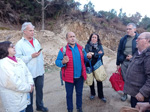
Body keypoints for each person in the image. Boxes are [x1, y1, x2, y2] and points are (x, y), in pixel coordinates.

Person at [15, 22, 48, 112]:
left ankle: (40, 105)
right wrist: (30, 56)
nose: (33, 32)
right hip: (28, 73)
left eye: (33, 30)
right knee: (29, 93)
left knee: (40, 90)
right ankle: (29, 109)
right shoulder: (19, 44)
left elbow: (39, 54)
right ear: (24, 31)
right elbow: (18, 60)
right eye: (30, 30)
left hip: (40, 71)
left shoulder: (36, 41)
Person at [55, 32, 92, 112]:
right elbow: (57, 62)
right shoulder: (63, 50)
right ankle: (70, 109)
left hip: (80, 77)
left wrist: (88, 57)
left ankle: (79, 108)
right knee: (69, 95)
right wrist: (63, 62)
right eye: (70, 37)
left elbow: (85, 59)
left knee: (79, 93)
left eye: (74, 36)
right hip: (69, 78)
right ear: (67, 39)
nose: (72, 38)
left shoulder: (81, 48)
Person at [0, 41, 34, 112]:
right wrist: (28, 88)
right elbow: (13, 83)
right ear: (5, 49)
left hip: (24, 96)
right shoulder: (3, 64)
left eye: (13, 45)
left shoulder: (19, 60)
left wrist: (31, 84)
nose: (14, 47)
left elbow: (27, 73)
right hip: (14, 100)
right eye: (11, 46)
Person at [123, 32, 150, 108]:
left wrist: (143, 93)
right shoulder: (139, 52)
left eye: (139, 39)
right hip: (135, 93)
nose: (136, 40)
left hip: (142, 96)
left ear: (148, 40)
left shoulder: (148, 56)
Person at [116, 23, 139, 101]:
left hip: (135, 62)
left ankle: (134, 97)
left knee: (134, 80)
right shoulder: (123, 39)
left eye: (130, 29)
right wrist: (118, 63)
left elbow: (141, 51)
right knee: (124, 78)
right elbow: (119, 51)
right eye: (127, 29)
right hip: (124, 61)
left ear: (134, 29)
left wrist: (133, 57)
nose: (128, 30)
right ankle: (125, 94)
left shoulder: (139, 38)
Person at [85, 33, 106, 102]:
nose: (93, 38)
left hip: (98, 65)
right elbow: (86, 54)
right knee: (91, 80)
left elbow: (102, 53)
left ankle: (101, 95)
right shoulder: (87, 46)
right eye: (92, 37)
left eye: (95, 37)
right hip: (89, 64)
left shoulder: (100, 46)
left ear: (97, 39)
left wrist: (93, 54)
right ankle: (92, 94)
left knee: (99, 80)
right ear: (90, 38)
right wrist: (96, 54)